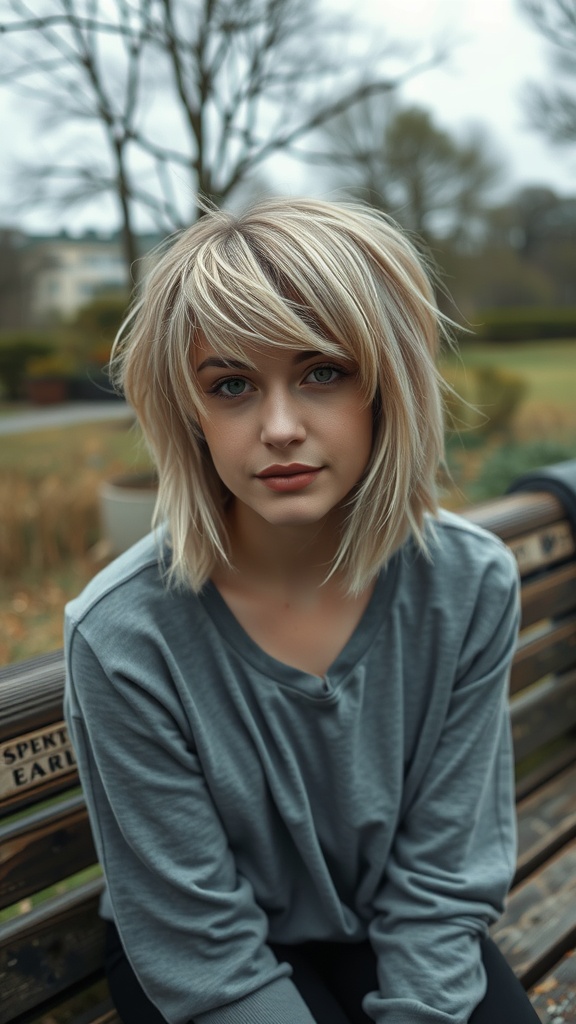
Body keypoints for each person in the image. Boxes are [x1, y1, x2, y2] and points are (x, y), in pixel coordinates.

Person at [64, 197, 539, 1024]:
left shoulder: (467, 584)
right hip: (203, 955)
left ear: (386, 385)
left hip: (397, 925)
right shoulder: (122, 637)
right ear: (189, 411)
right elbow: (197, 940)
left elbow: (443, 866)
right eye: (232, 385)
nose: (279, 427)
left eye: (323, 372)